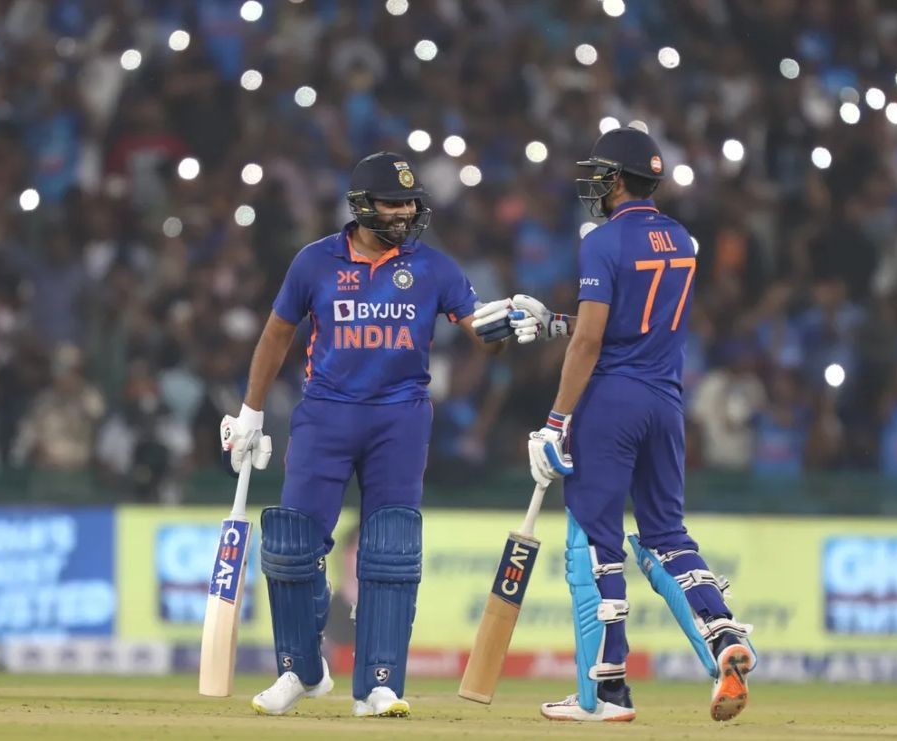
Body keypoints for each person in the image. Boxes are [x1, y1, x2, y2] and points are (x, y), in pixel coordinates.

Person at [474, 128, 756, 722]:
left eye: (603, 173)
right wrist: (552, 321)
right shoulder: (681, 239)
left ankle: (602, 694)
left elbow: (596, 341)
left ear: (619, 179)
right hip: (665, 403)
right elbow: (635, 320)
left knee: (593, 543)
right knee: (667, 537)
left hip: (611, 405)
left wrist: (555, 421)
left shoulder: (602, 242)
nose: (595, 184)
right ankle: (724, 637)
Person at [220, 152, 506, 718]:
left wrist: (507, 324)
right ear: (360, 206)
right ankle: (299, 671)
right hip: (325, 414)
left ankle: (379, 684)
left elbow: (482, 336)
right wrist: (250, 411)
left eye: (409, 202)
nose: (403, 213)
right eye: (391, 203)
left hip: (400, 418)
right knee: (292, 545)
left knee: (390, 550)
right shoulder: (314, 262)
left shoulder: (435, 267)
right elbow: (276, 336)